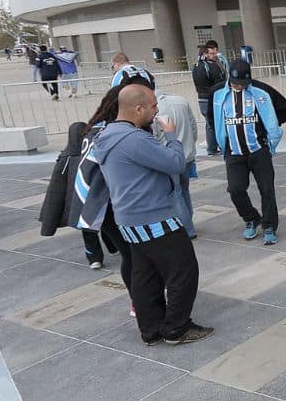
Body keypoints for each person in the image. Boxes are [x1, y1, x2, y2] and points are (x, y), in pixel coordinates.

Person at [95, 84, 210, 345]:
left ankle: (150, 329)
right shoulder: (134, 139)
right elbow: (175, 163)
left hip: (127, 219)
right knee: (183, 271)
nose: (156, 110)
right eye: (153, 106)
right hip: (155, 218)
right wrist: (170, 135)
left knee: (144, 275)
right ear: (138, 109)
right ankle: (176, 328)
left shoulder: (107, 134)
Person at [41, 87, 130, 279]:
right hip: (101, 198)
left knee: (91, 229)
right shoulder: (106, 134)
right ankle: (107, 252)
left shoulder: (86, 136)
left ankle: (94, 256)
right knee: (128, 252)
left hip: (85, 197)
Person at [213, 59, 282, 245]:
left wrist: (271, 144)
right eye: (235, 83)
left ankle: (269, 226)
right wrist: (222, 145)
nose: (239, 87)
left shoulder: (260, 94)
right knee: (235, 189)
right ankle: (251, 218)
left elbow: (274, 117)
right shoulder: (219, 95)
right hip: (234, 153)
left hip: (259, 150)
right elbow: (216, 122)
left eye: (243, 84)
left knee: (267, 189)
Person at [152, 82, 198, 239]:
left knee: (176, 193)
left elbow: (155, 136)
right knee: (184, 191)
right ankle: (188, 222)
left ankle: (188, 229)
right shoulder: (181, 100)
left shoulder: (154, 109)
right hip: (187, 154)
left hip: (169, 157)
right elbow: (193, 127)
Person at [192, 41, 227, 157]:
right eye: (212, 53)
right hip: (212, 99)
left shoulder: (196, 66)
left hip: (201, 99)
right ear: (206, 53)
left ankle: (212, 149)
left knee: (209, 125)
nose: (215, 55)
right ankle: (221, 147)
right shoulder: (212, 67)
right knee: (218, 124)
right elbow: (220, 83)